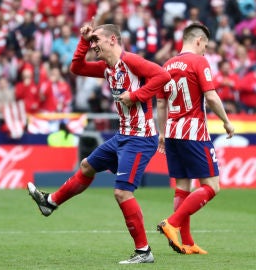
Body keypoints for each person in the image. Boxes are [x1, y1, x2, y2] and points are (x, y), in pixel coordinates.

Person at [28, 22, 171, 264]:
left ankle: (144, 252)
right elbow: (76, 68)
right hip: (122, 136)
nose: (93, 45)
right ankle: (50, 202)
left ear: (113, 40)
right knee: (86, 166)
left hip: (140, 138)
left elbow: (163, 76)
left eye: (96, 40)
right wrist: (82, 40)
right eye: (91, 42)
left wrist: (136, 95)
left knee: (122, 192)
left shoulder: (132, 61)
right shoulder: (107, 68)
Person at [156, 22, 235, 255]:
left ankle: (187, 242)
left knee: (182, 188)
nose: (205, 51)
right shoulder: (199, 62)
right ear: (198, 40)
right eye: (206, 46)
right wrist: (226, 120)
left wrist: (161, 133)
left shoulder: (167, 65)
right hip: (194, 132)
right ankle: (172, 223)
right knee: (212, 186)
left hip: (171, 132)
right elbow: (210, 97)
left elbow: (160, 103)